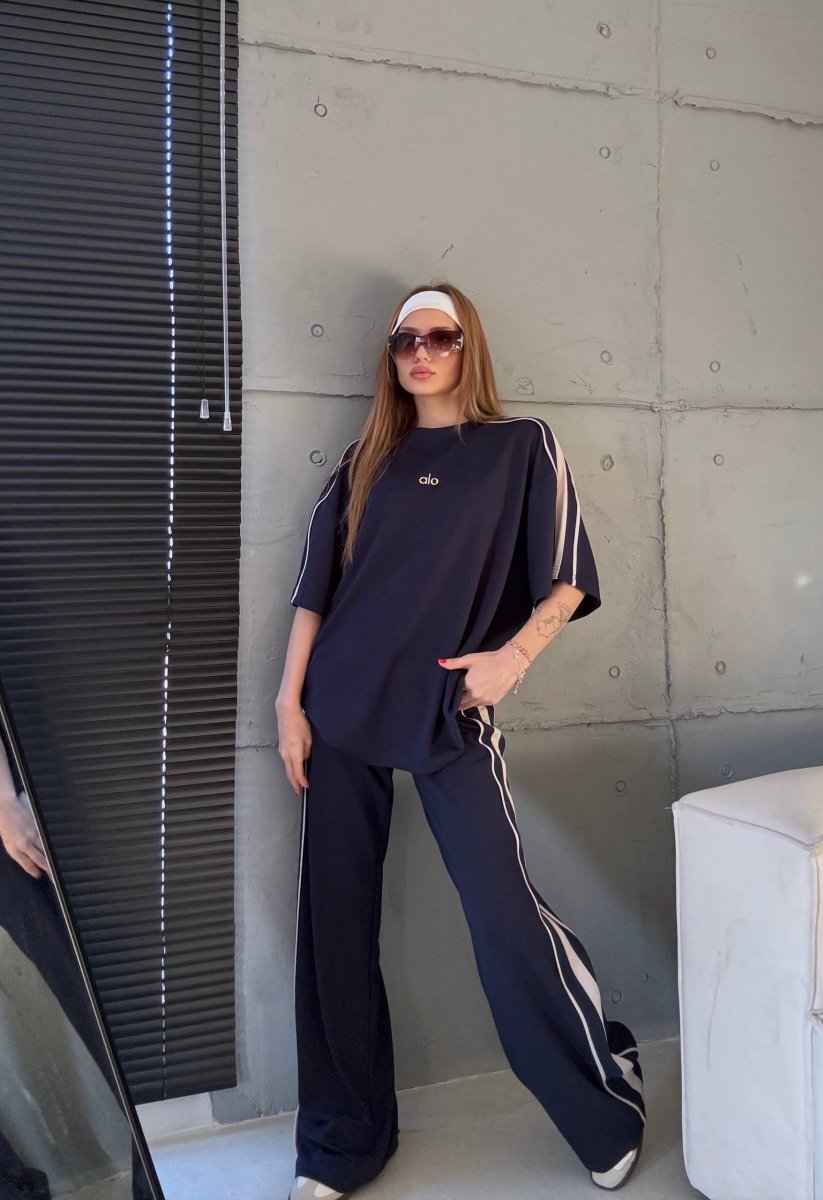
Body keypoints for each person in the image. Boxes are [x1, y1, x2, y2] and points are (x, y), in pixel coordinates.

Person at [276, 283, 646, 1199]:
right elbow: (315, 591)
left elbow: (566, 579)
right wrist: (289, 704)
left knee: (502, 912)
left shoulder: (521, 448)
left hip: (450, 710)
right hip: (339, 709)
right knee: (332, 926)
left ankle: (603, 1101)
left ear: (467, 345)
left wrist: (512, 659)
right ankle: (341, 1142)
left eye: (439, 337)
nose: (421, 353)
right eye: (405, 339)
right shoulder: (365, 461)